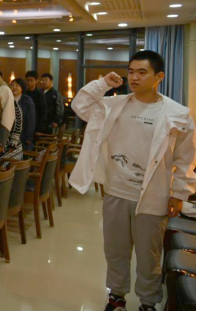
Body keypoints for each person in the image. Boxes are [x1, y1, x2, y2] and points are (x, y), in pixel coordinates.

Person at [69, 50, 196, 312]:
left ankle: (148, 302)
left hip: (153, 197)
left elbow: (185, 158)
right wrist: (103, 84)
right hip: (116, 192)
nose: (134, 77)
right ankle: (116, 297)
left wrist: (179, 193)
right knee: (115, 250)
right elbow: (80, 105)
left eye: (142, 72)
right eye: (131, 72)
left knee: (149, 256)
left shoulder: (177, 113)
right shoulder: (114, 105)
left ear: (159, 76)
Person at [11, 78, 36, 151]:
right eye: (12, 85)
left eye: (17, 85)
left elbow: (31, 120)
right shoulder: (7, 99)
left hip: (23, 134)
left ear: (22, 87)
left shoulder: (27, 100)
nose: (14, 87)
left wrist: (29, 137)